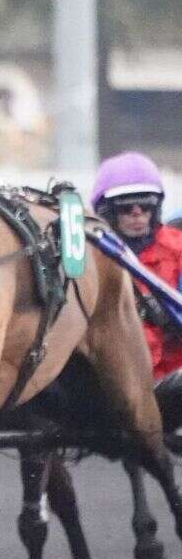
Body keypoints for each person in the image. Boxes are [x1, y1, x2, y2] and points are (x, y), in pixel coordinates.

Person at [92, 152, 182, 425]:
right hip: (106, 380)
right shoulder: (89, 255)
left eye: (145, 206)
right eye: (126, 208)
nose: (137, 215)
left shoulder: (178, 249)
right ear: (107, 212)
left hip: (166, 379)